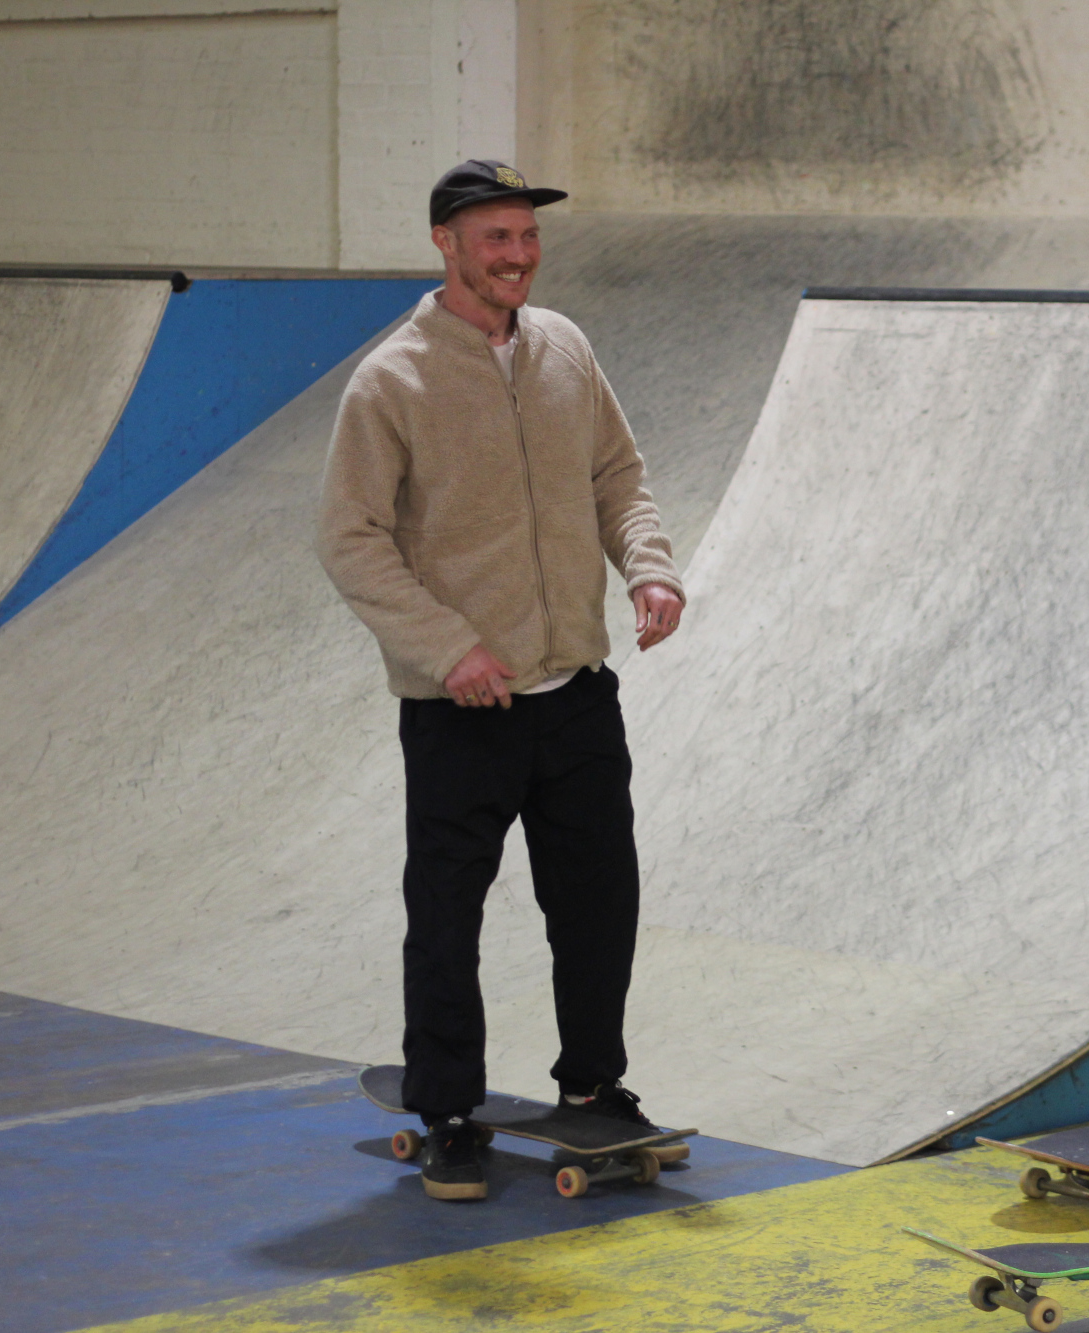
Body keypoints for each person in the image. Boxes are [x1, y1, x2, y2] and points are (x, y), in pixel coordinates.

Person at [316, 160, 687, 1201]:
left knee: (599, 901)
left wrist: (649, 568)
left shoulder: (564, 347)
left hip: (575, 692)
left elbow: (617, 474)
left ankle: (593, 1084)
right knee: (447, 915)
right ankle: (446, 1110)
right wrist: (447, 647)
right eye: (496, 239)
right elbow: (349, 538)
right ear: (446, 244)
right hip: (461, 707)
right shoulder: (391, 380)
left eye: (527, 236)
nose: (518, 256)